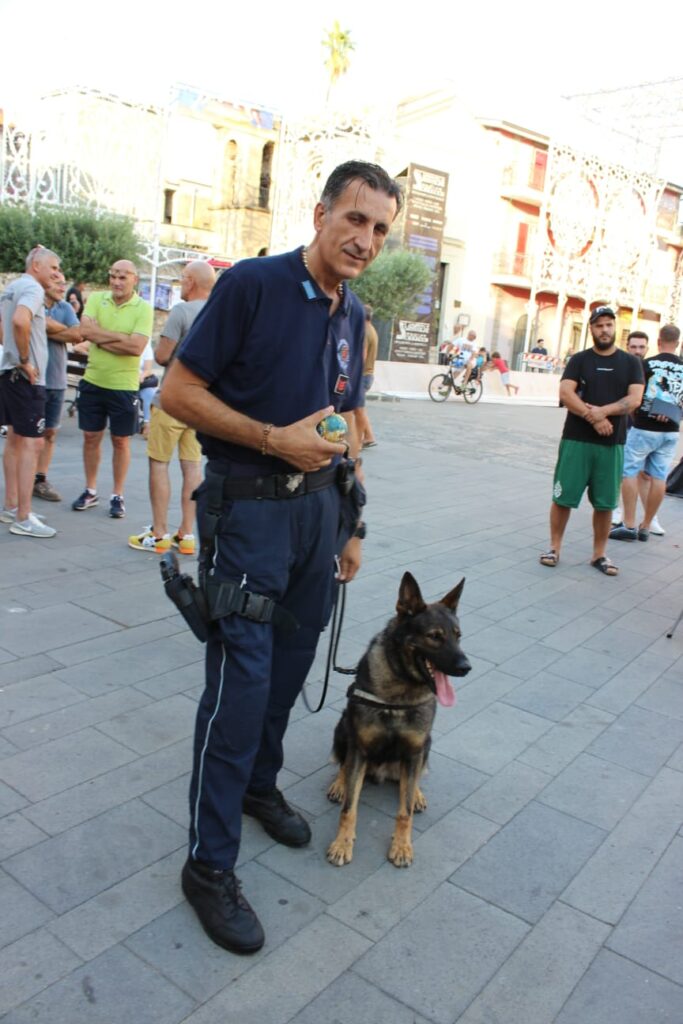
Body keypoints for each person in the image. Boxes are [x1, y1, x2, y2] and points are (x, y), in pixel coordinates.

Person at [161, 160, 401, 955]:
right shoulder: (254, 286)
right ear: (321, 211)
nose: (364, 238)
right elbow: (176, 394)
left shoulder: (351, 310)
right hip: (249, 519)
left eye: (378, 230)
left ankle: (259, 788)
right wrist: (269, 438)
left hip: (317, 524)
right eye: (355, 219)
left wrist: (353, 520)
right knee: (238, 690)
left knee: (288, 674)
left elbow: (347, 424)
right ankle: (208, 867)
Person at [539, 306, 644, 576]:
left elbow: (635, 399)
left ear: (615, 328)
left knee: (606, 503)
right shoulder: (579, 360)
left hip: (612, 444)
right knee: (563, 498)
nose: (605, 330)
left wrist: (604, 411)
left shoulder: (630, 362)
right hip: (576, 440)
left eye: (609, 325)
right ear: (591, 329)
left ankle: (599, 554)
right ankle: (554, 547)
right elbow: (565, 391)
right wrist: (593, 416)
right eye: (599, 326)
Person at [128, 260, 215, 554]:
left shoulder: (181, 311)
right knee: (192, 467)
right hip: (202, 403)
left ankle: (160, 533)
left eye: (181, 279)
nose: (180, 285)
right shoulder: (219, 312)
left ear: (191, 282)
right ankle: (187, 535)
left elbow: (163, 355)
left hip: (172, 400)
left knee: (159, 463)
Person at [71, 260, 153, 518]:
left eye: (123, 277)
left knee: (120, 441)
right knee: (90, 437)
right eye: (113, 276)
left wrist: (101, 336)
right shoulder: (96, 299)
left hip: (124, 386)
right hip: (94, 381)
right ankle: (90, 489)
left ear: (134, 280)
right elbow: (84, 331)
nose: (117, 282)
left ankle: (117, 494)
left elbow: (136, 348)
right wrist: (119, 338)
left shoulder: (144, 308)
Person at [0, 247, 62, 537]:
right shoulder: (33, 289)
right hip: (26, 378)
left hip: (9, 374)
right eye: (52, 267)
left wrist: (12, 355)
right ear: (36, 265)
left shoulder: (13, 286)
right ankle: (23, 517)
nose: (56, 273)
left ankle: (13, 506)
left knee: (15, 439)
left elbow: (4, 324)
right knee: (32, 444)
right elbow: (19, 321)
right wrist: (25, 360)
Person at [609, 324, 682, 542]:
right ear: (677, 344)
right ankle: (647, 525)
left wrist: (634, 416)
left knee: (628, 471)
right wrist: (672, 414)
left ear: (658, 342)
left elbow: (635, 396)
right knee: (658, 477)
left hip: (644, 427)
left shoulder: (647, 364)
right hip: (671, 431)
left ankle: (629, 524)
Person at [33, 272, 82, 502]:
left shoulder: (65, 307)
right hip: (34, 380)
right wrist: (62, 331)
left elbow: (77, 335)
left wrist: (46, 325)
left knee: (50, 432)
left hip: (57, 381)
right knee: (30, 434)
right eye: (57, 283)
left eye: (64, 283)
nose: (63, 287)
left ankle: (40, 479)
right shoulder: (32, 302)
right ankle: (26, 476)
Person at [355, 304, 378, 449]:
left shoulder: (364, 331)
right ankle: (369, 437)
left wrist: (353, 373)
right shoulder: (372, 330)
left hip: (362, 375)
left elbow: (361, 356)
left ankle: (358, 440)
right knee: (359, 408)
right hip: (368, 375)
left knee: (357, 409)